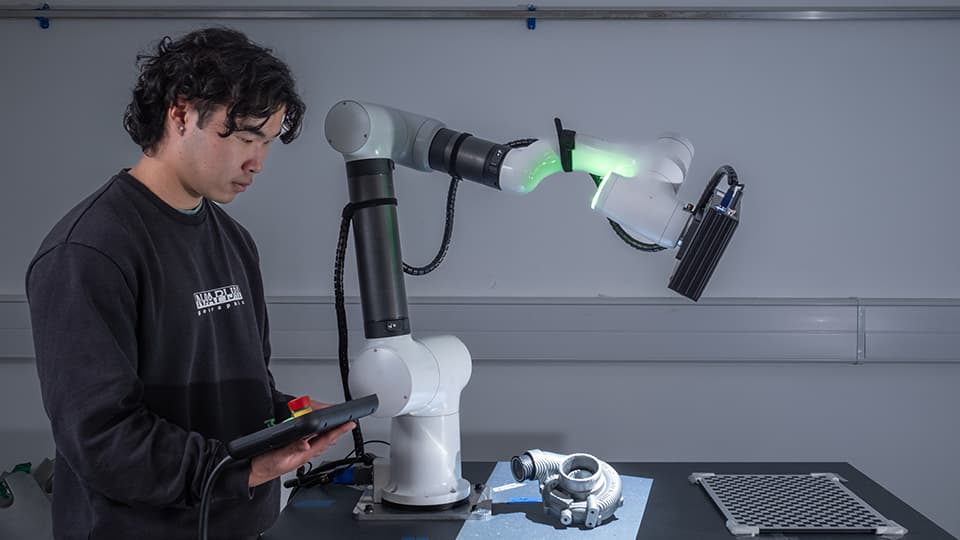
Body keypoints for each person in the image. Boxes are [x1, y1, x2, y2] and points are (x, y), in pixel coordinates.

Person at [25, 27, 354, 540]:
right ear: (181, 114)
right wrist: (239, 470)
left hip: (243, 525)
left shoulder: (234, 241)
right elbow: (100, 439)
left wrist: (286, 416)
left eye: (266, 143)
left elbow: (242, 387)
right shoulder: (87, 252)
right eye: (246, 138)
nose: (258, 163)